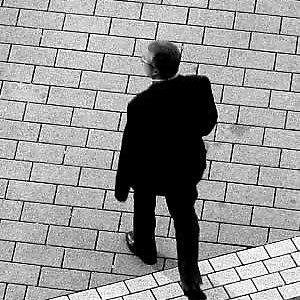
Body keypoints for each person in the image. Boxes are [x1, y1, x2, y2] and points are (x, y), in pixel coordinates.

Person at [115, 40, 218, 300]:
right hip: (185, 168)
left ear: (155, 72)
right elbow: (208, 123)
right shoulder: (199, 85)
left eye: (145, 61)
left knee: (144, 204)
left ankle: (145, 248)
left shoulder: (140, 105)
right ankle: (190, 280)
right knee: (185, 218)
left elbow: (130, 149)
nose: (143, 63)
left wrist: (122, 186)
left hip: (151, 172)